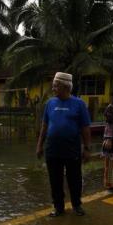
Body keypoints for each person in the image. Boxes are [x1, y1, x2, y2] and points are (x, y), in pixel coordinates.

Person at [36, 72, 93, 217]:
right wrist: (39, 145)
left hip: (72, 148)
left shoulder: (79, 104)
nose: (53, 88)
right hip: (52, 149)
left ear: (66, 87)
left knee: (74, 178)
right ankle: (58, 207)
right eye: (53, 85)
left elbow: (85, 128)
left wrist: (87, 149)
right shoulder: (50, 103)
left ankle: (77, 205)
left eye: (56, 86)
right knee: (55, 180)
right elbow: (44, 125)